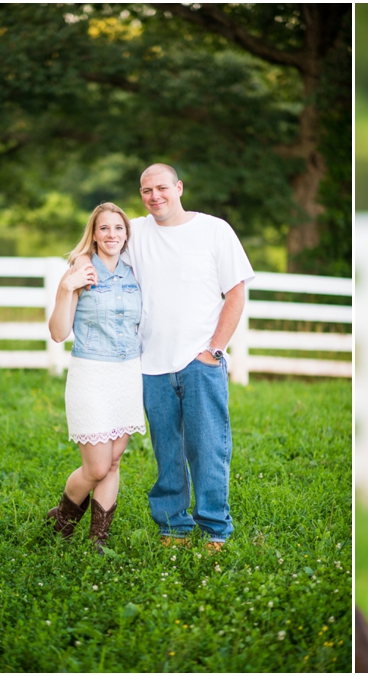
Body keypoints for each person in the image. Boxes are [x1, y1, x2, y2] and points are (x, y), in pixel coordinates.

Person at [124, 163, 254, 550]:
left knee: (208, 447)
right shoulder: (134, 232)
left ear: (179, 187)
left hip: (200, 361)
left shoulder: (214, 230)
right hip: (152, 364)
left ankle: (215, 528)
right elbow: (98, 249)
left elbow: (236, 293)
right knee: (166, 451)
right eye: (147, 190)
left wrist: (214, 350)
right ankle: (173, 527)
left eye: (162, 187)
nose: (154, 196)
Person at [46, 203, 146, 552]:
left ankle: (98, 541)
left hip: (128, 374)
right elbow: (59, 333)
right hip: (91, 375)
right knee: (98, 466)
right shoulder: (81, 270)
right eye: (104, 228)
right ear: (94, 233)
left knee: (115, 461)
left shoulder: (136, 273)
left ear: (126, 234)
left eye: (118, 229)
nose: (112, 235)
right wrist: (66, 289)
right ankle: (60, 518)